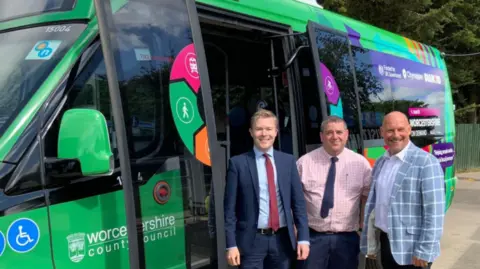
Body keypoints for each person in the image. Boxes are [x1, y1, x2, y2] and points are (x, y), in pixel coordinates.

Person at [224, 109, 310, 269]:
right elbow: (229, 210)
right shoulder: (237, 164)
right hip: (251, 242)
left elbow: (298, 204)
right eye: (259, 129)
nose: (264, 134)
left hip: (282, 241)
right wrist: (231, 244)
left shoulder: (288, 162)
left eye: (269, 129)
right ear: (251, 132)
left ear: (276, 132)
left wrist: (304, 238)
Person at [360, 111, 445, 269]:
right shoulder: (381, 162)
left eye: (400, 129)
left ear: (409, 130)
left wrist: (424, 250)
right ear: (382, 132)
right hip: (387, 243)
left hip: (413, 250)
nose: (396, 135)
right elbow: (376, 204)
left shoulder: (427, 162)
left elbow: (435, 212)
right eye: (390, 130)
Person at [296, 116, 372, 269]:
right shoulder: (304, 162)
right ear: (321, 136)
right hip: (313, 238)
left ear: (346, 134)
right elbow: (294, 201)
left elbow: (366, 196)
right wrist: (297, 233)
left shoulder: (360, 163)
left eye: (339, 132)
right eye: (329, 132)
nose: (335, 136)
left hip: (347, 239)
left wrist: (363, 226)